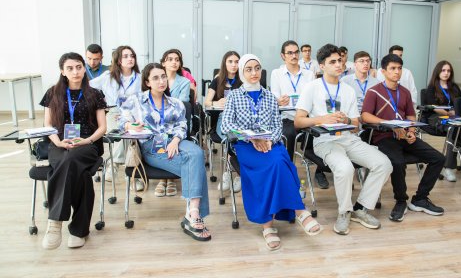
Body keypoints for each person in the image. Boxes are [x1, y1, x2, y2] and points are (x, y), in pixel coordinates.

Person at [221, 54, 322, 251]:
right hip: (245, 146)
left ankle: (277, 223)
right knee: (271, 167)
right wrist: (252, 138)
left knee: (279, 162)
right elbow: (226, 125)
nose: (253, 73)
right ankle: (293, 214)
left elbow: (277, 126)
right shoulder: (233, 96)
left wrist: (268, 139)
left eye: (257, 68)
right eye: (248, 69)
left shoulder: (269, 97)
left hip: (270, 143)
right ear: (242, 72)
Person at [295, 44, 392, 235]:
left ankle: (361, 209)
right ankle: (344, 211)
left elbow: (356, 124)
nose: (338, 64)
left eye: (340, 60)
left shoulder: (347, 90)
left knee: (384, 163)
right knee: (345, 168)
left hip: (349, 138)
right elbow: (298, 121)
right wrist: (323, 118)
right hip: (325, 140)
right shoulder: (311, 88)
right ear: (322, 66)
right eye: (332, 62)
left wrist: (346, 119)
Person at [118, 63, 211, 241]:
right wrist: (131, 125)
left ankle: (192, 213)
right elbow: (121, 121)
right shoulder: (136, 100)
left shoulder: (175, 103)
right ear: (147, 82)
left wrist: (176, 140)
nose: (161, 81)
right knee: (195, 165)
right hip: (151, 146)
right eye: (155, 78)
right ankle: (193, 216)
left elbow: (183, 125)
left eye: (163, 76)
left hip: (175, 141)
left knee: (197, 153)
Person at [362, 53, 445, 222]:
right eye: (392, 68)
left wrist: (411, 131)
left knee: (438, 158)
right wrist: (390, 124)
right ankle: (401, 201)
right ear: (383, 71)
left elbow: (410, 116)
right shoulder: (374, 92)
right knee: (398, 163)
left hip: (405, 136)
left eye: (399, 68)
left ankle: (420, 199)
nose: (397, 72)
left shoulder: (405, 92)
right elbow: (365, 116)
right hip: (384, 136)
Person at [40, 52, 107, 249]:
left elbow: (103, 127)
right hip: (59, 144)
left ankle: (54, 222)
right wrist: (58, 142)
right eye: (70, 68)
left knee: (70, 161)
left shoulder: (95, 94)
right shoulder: (53, 93)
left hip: (87, 145)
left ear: (84, 68)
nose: (75, 71)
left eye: (79, 66)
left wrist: (87, 140)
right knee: (81, 175)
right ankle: (79, 230)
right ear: (62, 71)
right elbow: (48, 125)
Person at [90, 45, 142, 187]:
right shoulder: (108, 76)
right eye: (125, 56)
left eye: (132, 56)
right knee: (121, 133)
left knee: (134, 136)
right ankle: (132, 174)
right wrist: (98, 103)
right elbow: (88, 87)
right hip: (114, 113)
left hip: (134, 113)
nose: (130, 59)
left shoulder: (140, 78)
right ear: (118, 60)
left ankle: (116, 165)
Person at [425, 60, 461, 182]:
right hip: (436, 118)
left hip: (454, 117)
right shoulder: (431, 88)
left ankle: (450, 165)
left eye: (448, 71)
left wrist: (457, 114)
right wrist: (448, 113)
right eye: (443, 70)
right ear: (438, 71)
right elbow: (433, 107)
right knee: (454, 128)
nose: (446, 73)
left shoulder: (454, 87)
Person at [153, 49, 193, 197]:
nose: (174, 62)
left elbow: (182, 104)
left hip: (176, 122)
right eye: (170, 59)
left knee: (169, 136)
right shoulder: (156, 80)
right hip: (157, 122)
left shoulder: (184, 82)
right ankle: (162, 178)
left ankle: (169, 178)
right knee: (157, 133)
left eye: (177, 59)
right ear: (163, 62)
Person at [204, 51, 242, 193]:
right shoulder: (217, 79)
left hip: (241, 119)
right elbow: (207, 102)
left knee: (239, 139)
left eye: (237, 61)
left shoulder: (243, 80)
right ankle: (229, 172)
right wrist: (216, 102)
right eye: (230, 61)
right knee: (229, 138)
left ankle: (237, 175)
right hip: (223, 118)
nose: (233, 65)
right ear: (224, 63)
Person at [271, 40, 314, 161]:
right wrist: (278, 101)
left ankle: (317, 168)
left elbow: (313, 97)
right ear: (282, 55)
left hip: (305, 116)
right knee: (288, 134)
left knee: (321, 131)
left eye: (296, 52)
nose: (294, 56)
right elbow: (275, 96)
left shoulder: (309, 74)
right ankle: (288, 166)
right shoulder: (277, 73)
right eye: (289, 53)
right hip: (287, 117)